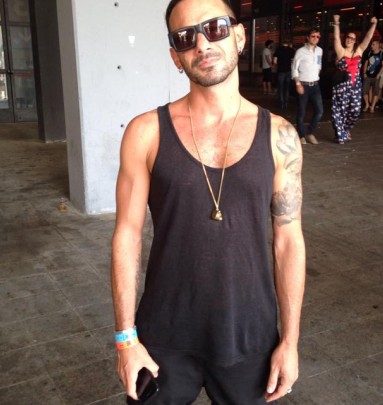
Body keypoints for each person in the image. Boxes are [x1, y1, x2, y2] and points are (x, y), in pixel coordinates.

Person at [111, 0, 306, 404]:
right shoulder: (146, 133)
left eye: (215, 28)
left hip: (249, 335)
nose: (202, 43)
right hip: (162, 337)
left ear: (240, 36)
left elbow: (288, 241)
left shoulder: (280, 136)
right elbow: (127, 235)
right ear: (176, 57)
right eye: (185, 37)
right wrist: (126, 340)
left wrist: (290, 341)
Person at [331, 14, 377, 144]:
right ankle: (340, 135)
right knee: (340, 110)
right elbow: (336, 37)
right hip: (342, 85)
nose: (349, 40)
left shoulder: (359, 51)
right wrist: (336, 22)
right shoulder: (341, 51)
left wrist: (374, 24)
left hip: (355, 84)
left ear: (355, 41)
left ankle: (345, 129)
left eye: (352, 38)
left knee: (355, 110)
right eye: (348, 37)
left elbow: (368, 38)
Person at [291, 28, 323, 145]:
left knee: (319, 111)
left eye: (318, 36)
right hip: (303, 85)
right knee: (301, 112)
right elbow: (294, 68)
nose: (315, 38)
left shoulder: (320, 51)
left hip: (315, 85)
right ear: (308, 37)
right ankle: (301, 135)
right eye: (313, 36)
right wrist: (298, 83)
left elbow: (319, 65)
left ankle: (310, 133)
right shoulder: (300, 51)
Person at [362, 40, 383, 113]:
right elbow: (366, 63)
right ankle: (367, 104)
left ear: (378, 45)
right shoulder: (369, 53)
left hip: (376, 76)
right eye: (372, 44)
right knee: (364, 91)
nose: (371, 46)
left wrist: (379, 74)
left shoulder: (382, 54)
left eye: (373, 44)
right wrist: (364, 73)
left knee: (375, 92)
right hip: (368, 75)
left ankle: (372, 107)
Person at [273, 39, 296, 109]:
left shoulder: (278, 49)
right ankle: (286, 102)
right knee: (287, 87)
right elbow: (293, 61)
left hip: (280, 70)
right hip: (288, 70)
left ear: (282, 43)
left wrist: (278, 65)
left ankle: (281, 102)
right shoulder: (291, 50)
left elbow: (275, 61)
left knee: (280, 87)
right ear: (288, 43)